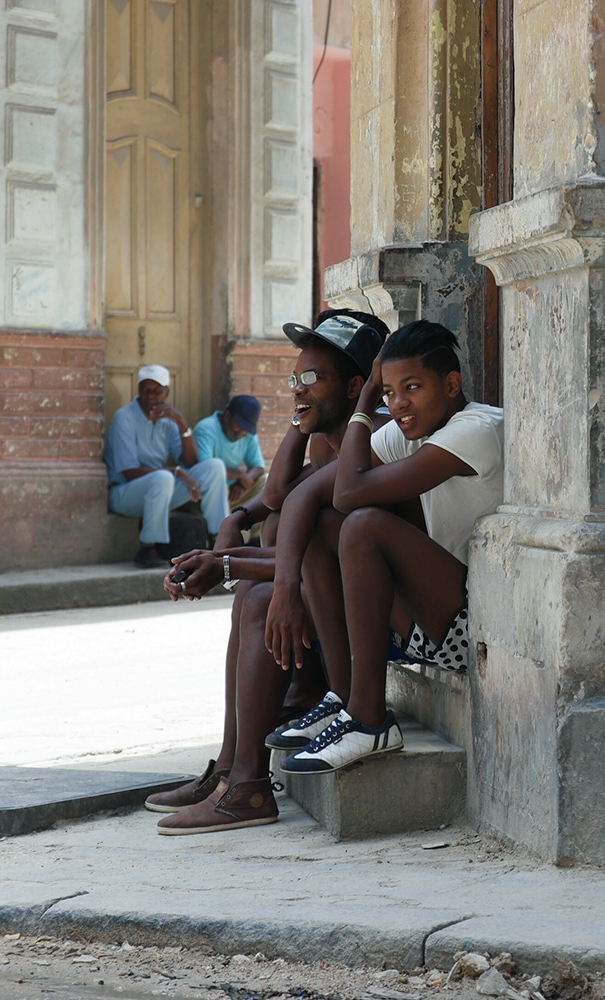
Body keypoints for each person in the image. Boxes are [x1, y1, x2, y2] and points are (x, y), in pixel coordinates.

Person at [145, 311, 393, 834]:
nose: (298, 390)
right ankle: (231, 771)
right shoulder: (326, 434)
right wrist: (237, 522)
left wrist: (228, 562)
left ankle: (248, 784)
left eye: (312, 378)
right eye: (293, 379)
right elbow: (278, 493)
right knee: (262, 564)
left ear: (356, 386)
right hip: (330, 595)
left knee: (257, 596)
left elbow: (305, 534)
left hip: (374, 613)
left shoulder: (370, 440)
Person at [266, 320, 503, 774]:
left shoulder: (476, 429)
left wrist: (366, 396)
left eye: (411, 388)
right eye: (389, 392)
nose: (398, 404)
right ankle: (343, 697)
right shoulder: (409, 430)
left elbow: (350, 493)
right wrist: (284, 588)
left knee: (363, 525)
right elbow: (301, 497)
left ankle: (369, 720)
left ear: (452, 385)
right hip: (426, 617)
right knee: (324, 525)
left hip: (471, 625)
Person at [105, 364, 229, 569]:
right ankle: (148, 548)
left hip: (161, 491)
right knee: (164, 478)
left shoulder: (168, 420)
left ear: (166, 392)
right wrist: (176, 471)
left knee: (214, 467)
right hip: (124, 494)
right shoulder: (123, 418)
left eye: (157, 391)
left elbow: (191, 462)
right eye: (146, 390)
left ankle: (220, 540)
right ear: (138, 391)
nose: (151, 396)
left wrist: (181, 422)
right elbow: (129, 473)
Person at [192, 395, 267, 506]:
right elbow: (207, 469)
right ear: (227, 416)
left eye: (247, 428)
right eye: (240, 425)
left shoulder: (248, 434)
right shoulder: (206, 429)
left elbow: (258, 466)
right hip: (206, 493)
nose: (243, 432)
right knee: (216, 481)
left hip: (233, 493)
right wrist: (240, 475)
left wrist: (244, 482)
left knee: (266, 481)